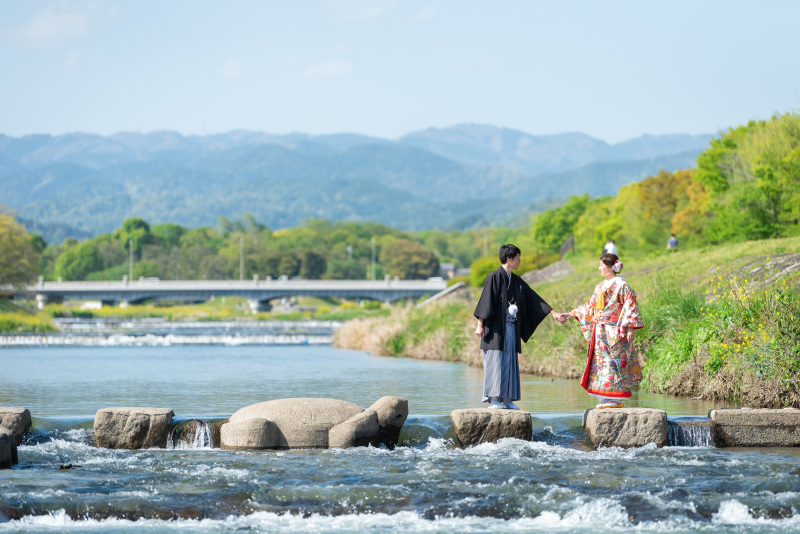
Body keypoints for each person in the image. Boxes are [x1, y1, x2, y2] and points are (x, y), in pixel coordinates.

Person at [553, 253, 644, 409]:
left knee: (614, 362)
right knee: (601, 363)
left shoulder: (621, 285)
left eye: (601, 265)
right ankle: (605, 397)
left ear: (610, 267)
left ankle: (614, 399)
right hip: (600, 331)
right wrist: (570, 314)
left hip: (615, 330)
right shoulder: (600, 286)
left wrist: (630, 328)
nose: (599, 268)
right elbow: (590, 306)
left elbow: (630, 304)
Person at [473, 244, 559, 409]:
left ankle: (508, 398)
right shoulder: (494, 277)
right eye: (518, 257)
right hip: (496, 329)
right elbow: (486, 302)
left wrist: (552, 312)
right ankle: (494, 399)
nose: (520, 260)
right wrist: (480, 324)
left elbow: (533, 298)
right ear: (509, 258)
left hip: (511, 327)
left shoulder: (517, 280)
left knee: (510, 361)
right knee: (495, 361)